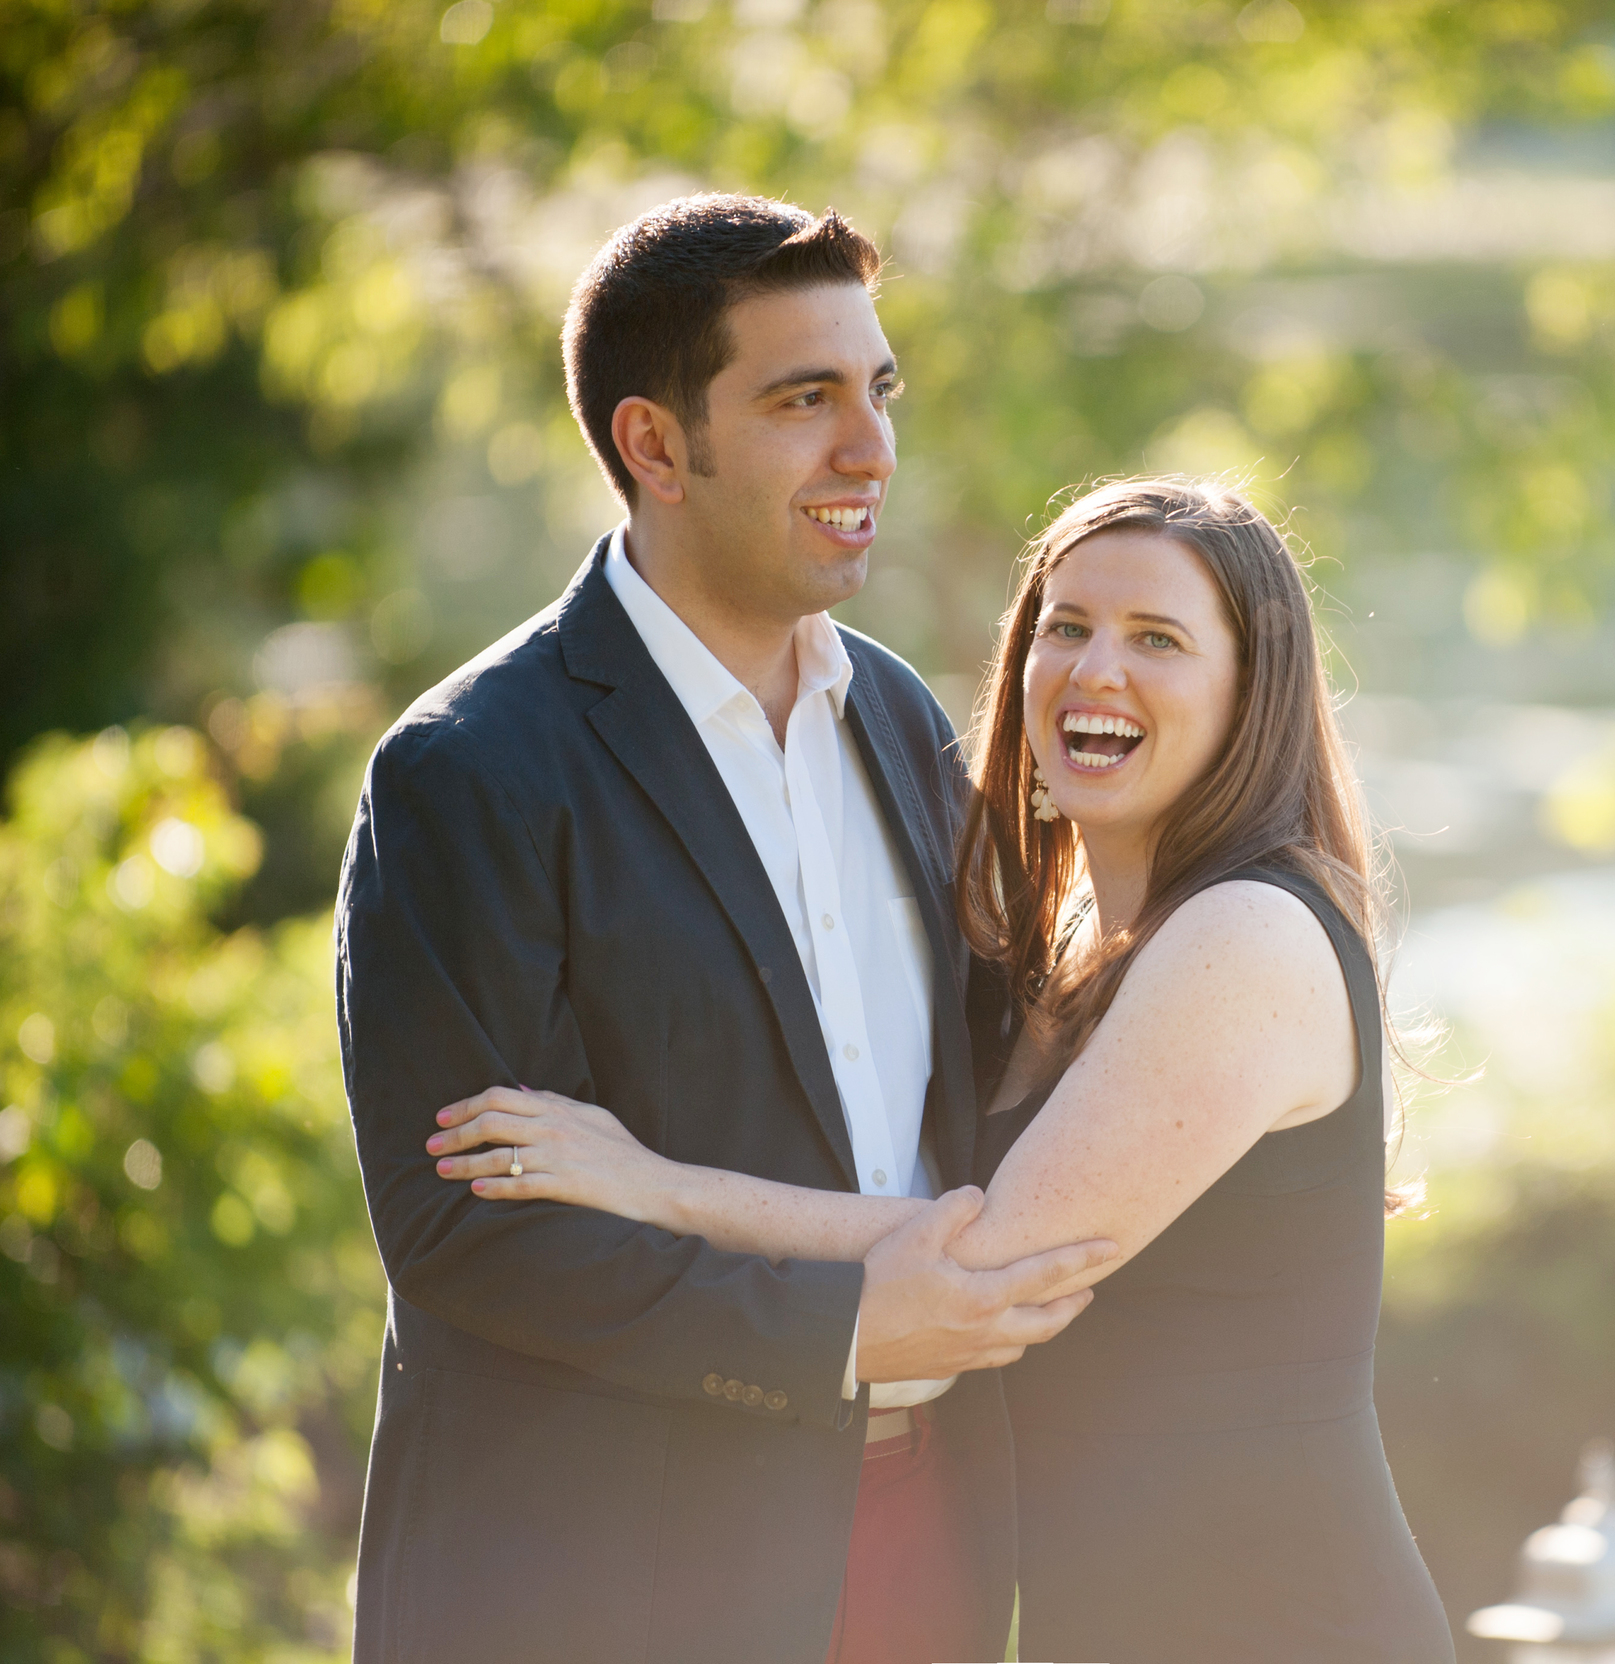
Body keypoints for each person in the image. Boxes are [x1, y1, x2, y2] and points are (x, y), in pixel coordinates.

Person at [427, 476, 1461, 1663]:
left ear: (1251, 690)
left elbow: (982, 1263)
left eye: (1157, 639)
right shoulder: (1064, 945)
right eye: (1065, 626)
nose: (1095, 670)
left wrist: (650, 1183)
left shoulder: (1246, 933)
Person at [336, 194, 1115, 1664]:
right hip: (609, 1581)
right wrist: (838, 1336)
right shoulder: (469, 770)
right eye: (804, 400)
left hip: (928, 1536)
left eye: (879, 390)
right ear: (654, 444)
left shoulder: (898, 714)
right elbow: (467, 1232)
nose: (870, 448)